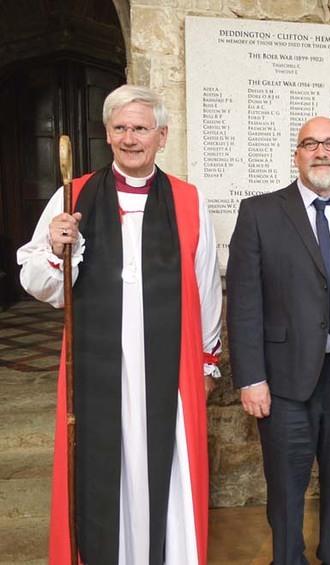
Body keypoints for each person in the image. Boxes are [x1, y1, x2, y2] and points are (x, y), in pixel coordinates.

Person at [17, 84, 222, 565]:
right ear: (107, 134)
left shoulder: (189, 200)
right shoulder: (75, 194)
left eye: (141, 128)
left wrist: (207, 360)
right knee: (102, 464)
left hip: (169, 368)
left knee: (167, 467)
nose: (131, 138)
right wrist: (54, 245)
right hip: (99, 369)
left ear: (162, 135)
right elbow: (37, 282)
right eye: (121, 128)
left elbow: (206, 285)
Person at [226, 116, 330, 565]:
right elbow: (244, 303)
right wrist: (251, 378)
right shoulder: (259, 213)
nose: (321, 152)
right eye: (310, 144)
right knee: (284, 488)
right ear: (296, 155)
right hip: (283, 384)